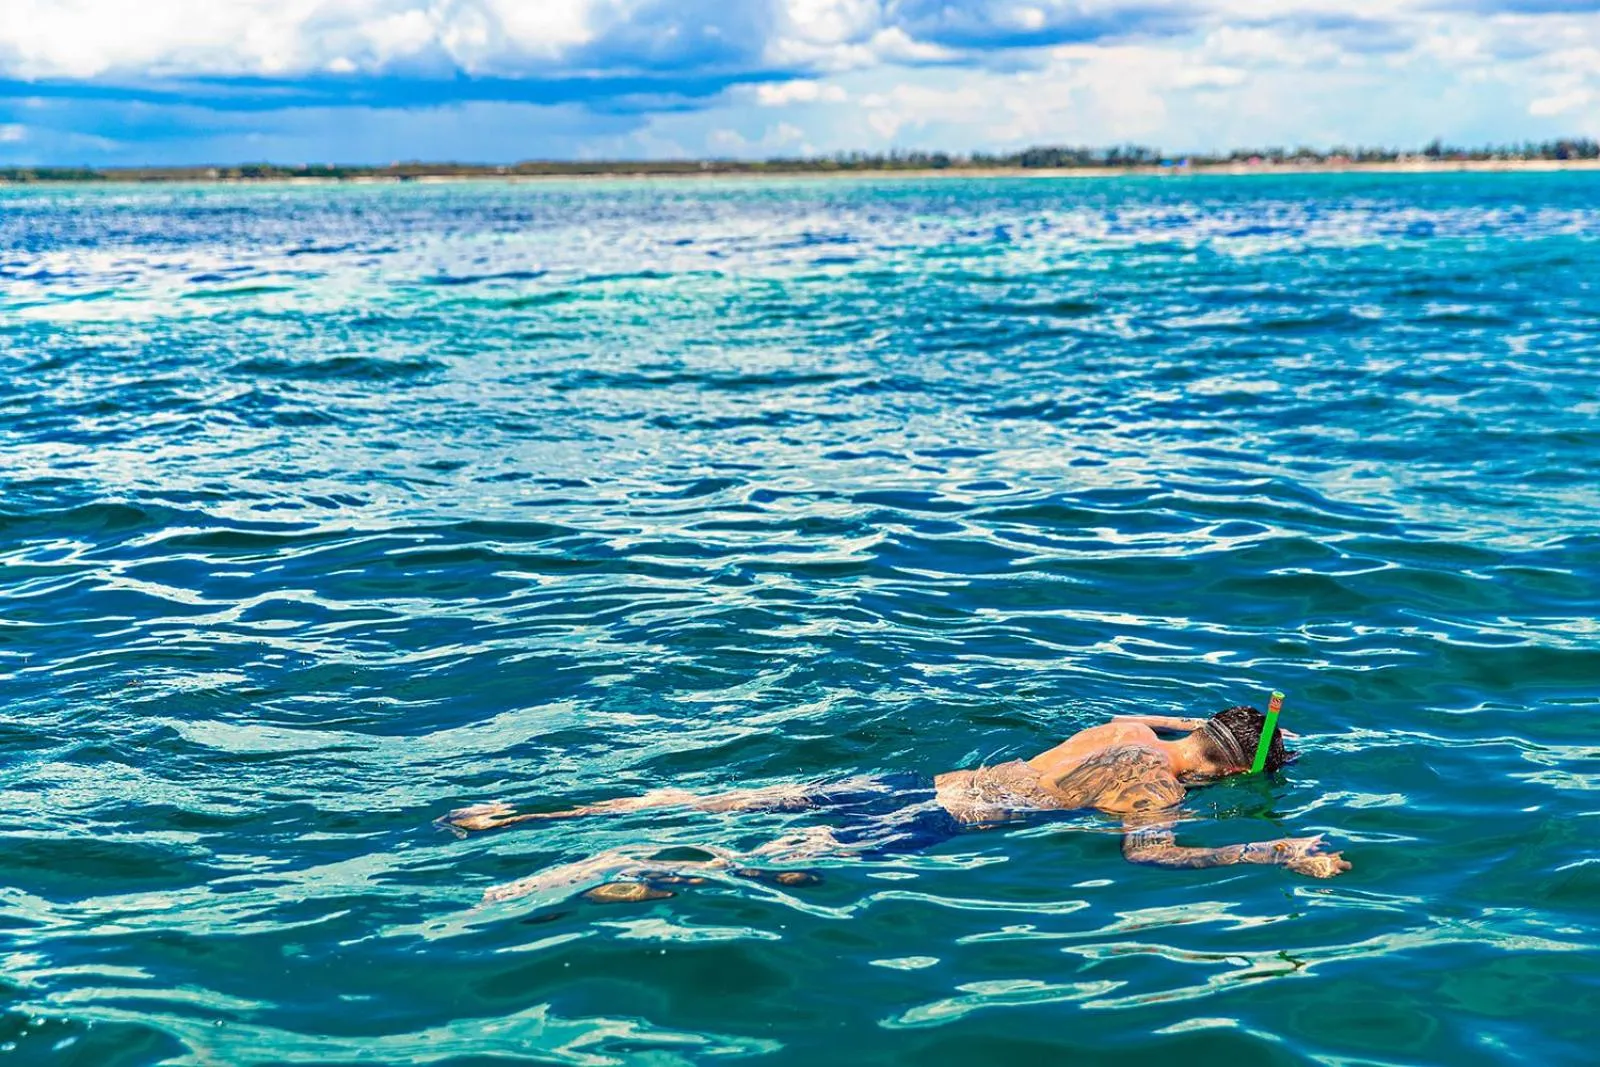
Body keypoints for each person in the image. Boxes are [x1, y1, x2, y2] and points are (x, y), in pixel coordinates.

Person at [442, 704, 1350, 904]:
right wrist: (1272, 849)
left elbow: (1181, 722)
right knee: (761, 865)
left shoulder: (1130, 730)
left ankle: (521, 816)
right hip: (937, 823)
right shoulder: (1156, 788)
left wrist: (1222, 727)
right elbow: (1150, 855)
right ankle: (611, 873)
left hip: (917, 784)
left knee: (714, 798)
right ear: (1232, 769)